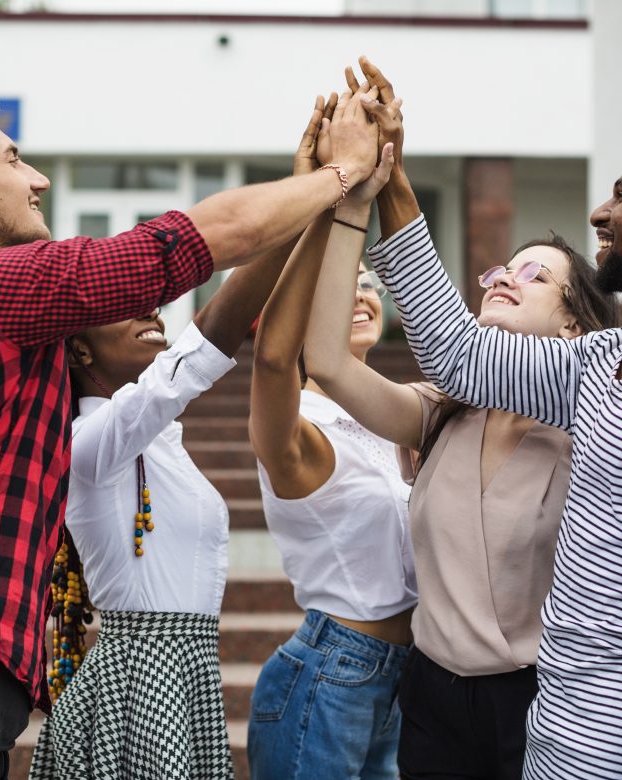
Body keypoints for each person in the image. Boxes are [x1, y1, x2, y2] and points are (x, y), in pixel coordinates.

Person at [0, 85, 378, 780]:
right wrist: (332, 180)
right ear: (75, 347)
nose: (37, 177)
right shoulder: (92, 434)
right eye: (14, 159)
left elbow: (203, 347)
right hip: (139, 677)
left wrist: (312, 204)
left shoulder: (148, 434)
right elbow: (203, 315)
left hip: (174, 668)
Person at [303, 59, 619, 780]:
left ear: (577, 328)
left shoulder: (589, 428)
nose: (506, 274)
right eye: (500, 268)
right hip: (433, 699)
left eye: (536, 274)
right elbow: (331, 359)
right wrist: (359, 198)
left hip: (541, 703)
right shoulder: (447, 410)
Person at [247, 84, 418, 780]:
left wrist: (383, 172)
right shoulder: (301, 425)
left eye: (371, 286)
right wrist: (327, 197)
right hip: (330, 676)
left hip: (397, 680)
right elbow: (268, 358)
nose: (360, 295)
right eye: (340, 288)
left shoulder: (392, 419)